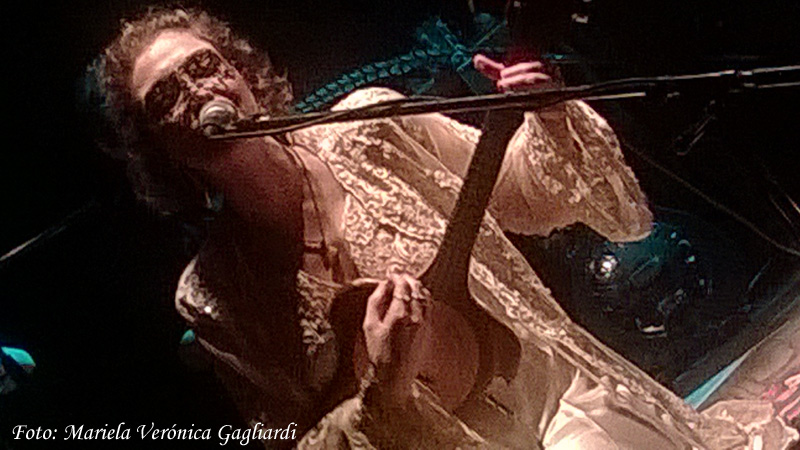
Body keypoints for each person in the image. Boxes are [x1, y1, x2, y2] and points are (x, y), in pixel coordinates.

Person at [88, 7, 797, 449]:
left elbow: (527, 193)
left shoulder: (370, 127)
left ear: (241, 75)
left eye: (204, 66)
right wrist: (385, 392)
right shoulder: (212, 294)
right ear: (163, 149)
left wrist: (548, 113)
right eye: (166, 97)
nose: (197, 92)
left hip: (559, 402)